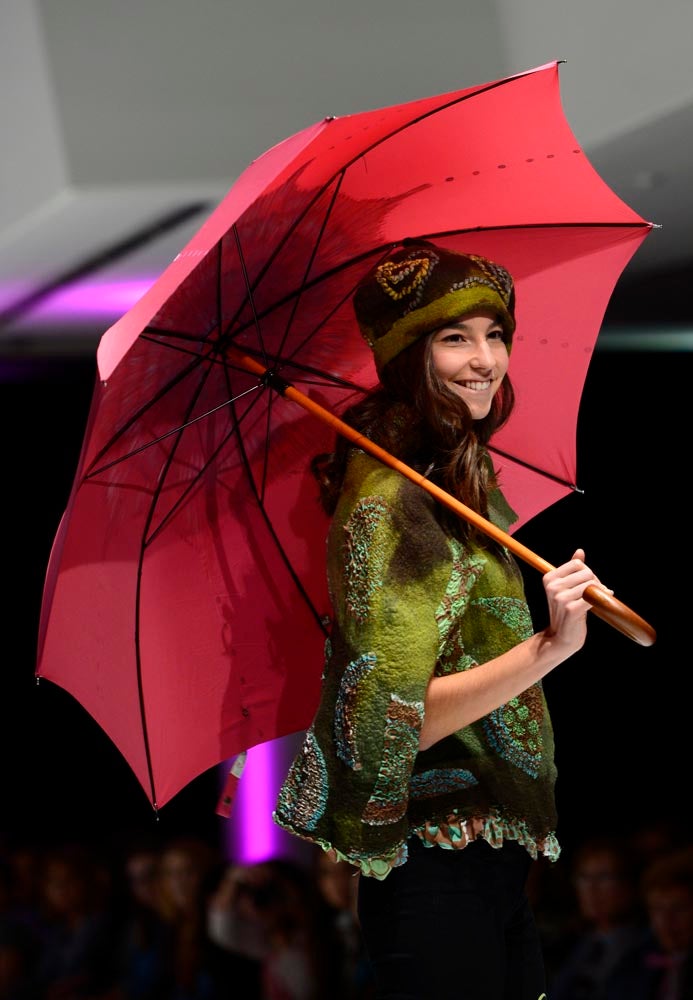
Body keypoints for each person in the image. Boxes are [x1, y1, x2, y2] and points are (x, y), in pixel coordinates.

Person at [272, 238, 611, 1000]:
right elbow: (395, 721)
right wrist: (549, 647)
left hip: (487, 870)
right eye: (454, 337)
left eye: (496, 334)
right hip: (432, 876)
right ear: (405, 356)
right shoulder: (387, 504)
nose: (484, 359)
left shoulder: (458, 485)